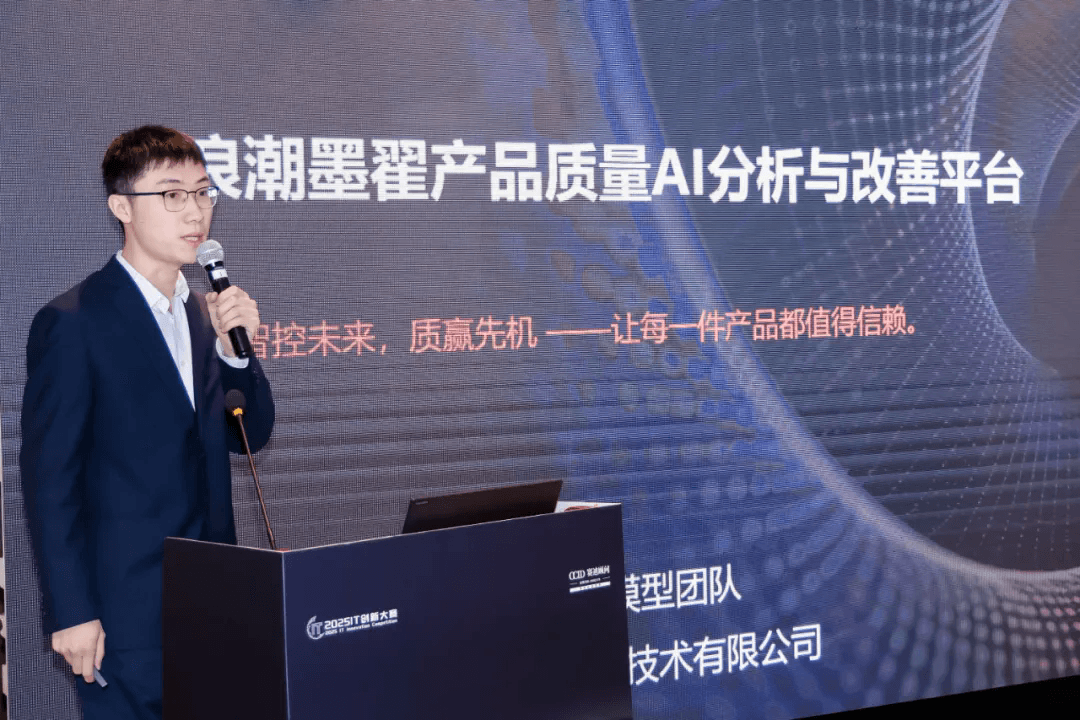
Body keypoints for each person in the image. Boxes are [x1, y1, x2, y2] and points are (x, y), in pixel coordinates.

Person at [20, 125, 275, 720]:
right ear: (121, 208)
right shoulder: (74, 322)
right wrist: (73, 611)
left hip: (213, 603)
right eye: (171, 194)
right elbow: (50, 479)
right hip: (121, 616)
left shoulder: (206, 314)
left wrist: (236, 355)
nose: (195, 211)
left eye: (203, 192)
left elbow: (251, 434)